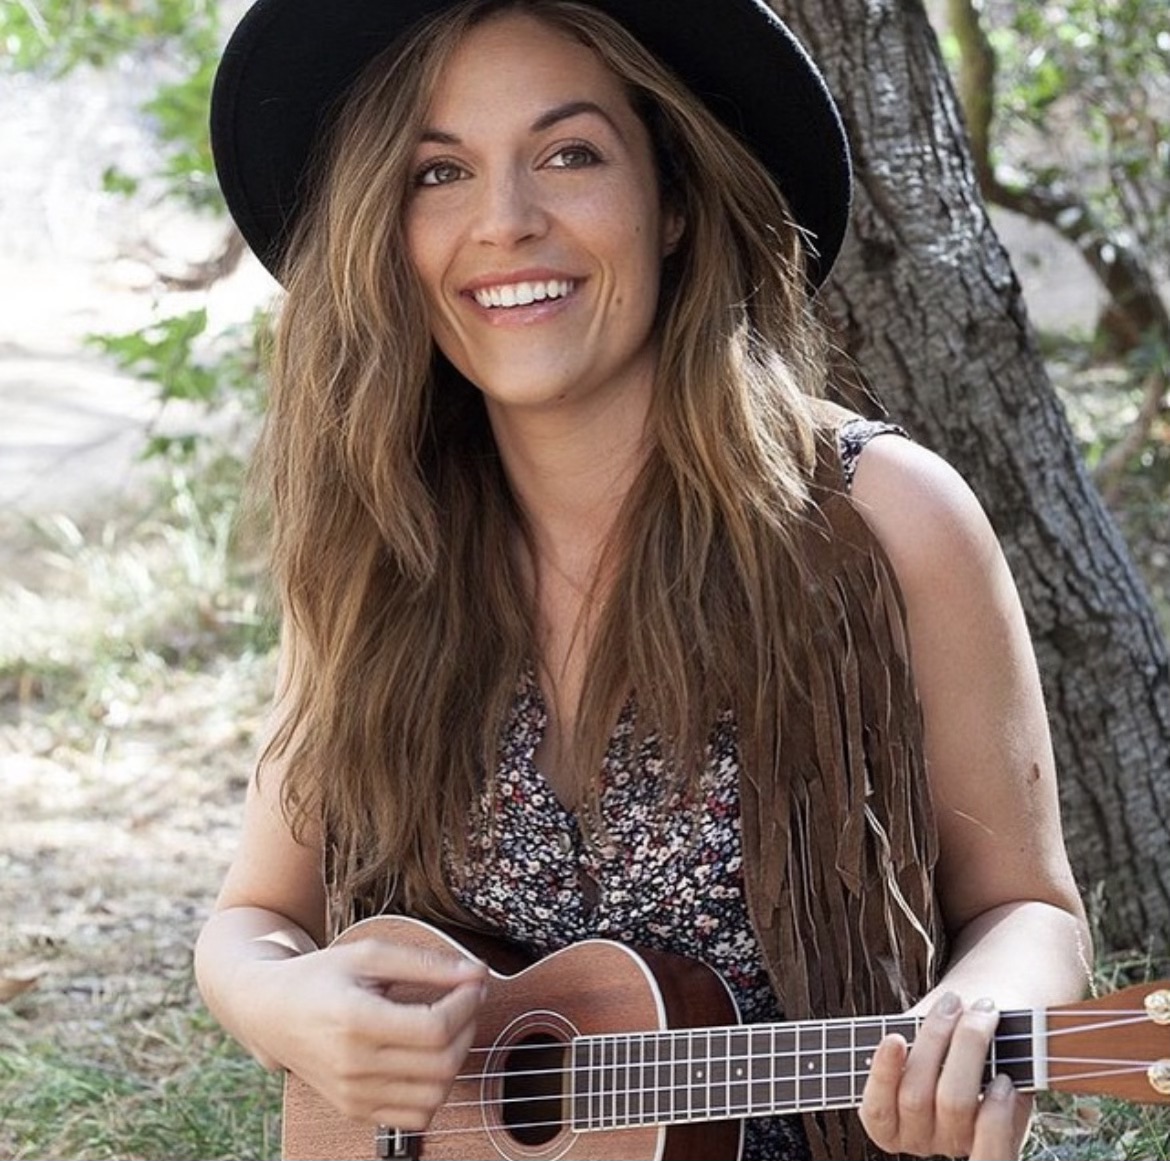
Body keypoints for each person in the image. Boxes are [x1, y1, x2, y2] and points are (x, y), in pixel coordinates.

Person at [195, 1, 1091, 1158]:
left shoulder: (883, 520)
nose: (505, 222)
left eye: (570, 154)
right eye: (438, 172)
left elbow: (1031, 909)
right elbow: (256, 917)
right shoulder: (383, 549)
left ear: (671, 199)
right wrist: (280, 1003)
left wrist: (980, 1016)